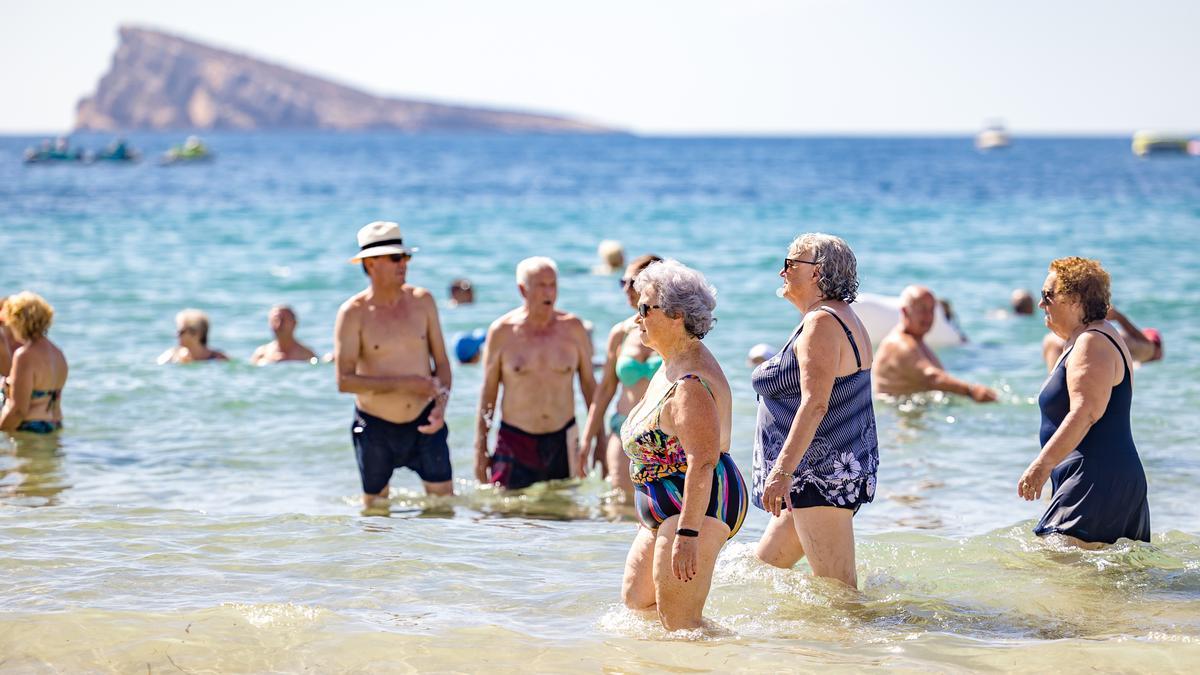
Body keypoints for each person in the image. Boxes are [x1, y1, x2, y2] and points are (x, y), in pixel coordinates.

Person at [619, 259, 747, 630]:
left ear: (676, 315)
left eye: (644, 308)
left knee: (680, 625)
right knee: (637, 601)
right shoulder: (669, 362)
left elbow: (703, 461)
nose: (636, 317)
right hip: (669, 502)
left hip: (697, 504)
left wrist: (687, 534)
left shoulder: (691, 383)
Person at [753, 233, 879, 588]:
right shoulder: (839, 316)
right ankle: (787, 642)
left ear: (816, 272)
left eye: (791, 263)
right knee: (763, 570)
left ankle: (864, 641)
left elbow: (816, 402)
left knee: (840, 594)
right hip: (817, 474)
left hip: (818, 476)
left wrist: (781, 471)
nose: (782, 272)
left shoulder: (822, 323)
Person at [1018, 257, 1150, 547]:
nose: (1041, 304)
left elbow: (1086, 412)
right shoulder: (1085, 340)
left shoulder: (1093, 341)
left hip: (1096, 477)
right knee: (1096, 584)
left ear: (1075, 299)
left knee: (1057, 571)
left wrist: (1041, 467)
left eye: (1048, 295)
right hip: (1099, 477)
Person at [335, 221, 453, 509]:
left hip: (425, 421)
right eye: (396, 258)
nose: (404, 264)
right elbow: (344, 381)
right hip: (374, 427)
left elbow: (442, 364)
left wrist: (441, 408)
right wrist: (406, 383)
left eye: (406, 257)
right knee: (375, 514)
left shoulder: (423, 301)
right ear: (371, 264)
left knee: (444, 509)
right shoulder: (353, 313)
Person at [474, 257, 595, 489]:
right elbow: (488, 393)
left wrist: (598, 442)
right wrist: (480, 449)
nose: (549, 292)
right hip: (515, 439)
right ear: (522, 289)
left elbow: (590, 388)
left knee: (566, 513)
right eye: (541, 285)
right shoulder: (502, 332)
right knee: (507, 515)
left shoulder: (573, 329)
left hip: (563, 438)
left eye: (553, 284)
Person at [579, 254, 663, 496]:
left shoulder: (674, 329)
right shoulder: (621, 332)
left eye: (633, 282)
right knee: (620, 503)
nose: (627, 288)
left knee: (663, 510)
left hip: (665, 434)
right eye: (622, 282)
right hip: (623, 428)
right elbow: (604, 390)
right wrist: (588, 441)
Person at [872, 286, 997, 401]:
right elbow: (931, 377)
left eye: (932, 310)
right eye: (922, 309)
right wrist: (971, 391)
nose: (928, 316)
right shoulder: (900, 344)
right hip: (899, 416)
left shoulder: (917, 341)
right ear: (905, 312)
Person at [0, 292, 68, 434]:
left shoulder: (25, 356)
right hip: (54, 425)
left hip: (31, 429)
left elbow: (18, 411)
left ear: (17, 321)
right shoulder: (58, 353)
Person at [1041, 305, 1164, 371]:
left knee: (1052, 342)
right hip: (1133, 347)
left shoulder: (1144, 346)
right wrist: (1118, 316)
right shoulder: (1148, 341)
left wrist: (1118, 316)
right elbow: (1146, 342)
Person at [250, 305, 318, 365]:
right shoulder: (261, 354)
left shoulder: (306, 355)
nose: (279, 325)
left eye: (283, 320)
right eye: (275, 320)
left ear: (294, 323)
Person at [158, 309, 229, 364]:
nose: (177, 335)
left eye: (181, 332)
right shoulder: (172, 356)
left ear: (197, 334)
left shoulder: (218, 358)